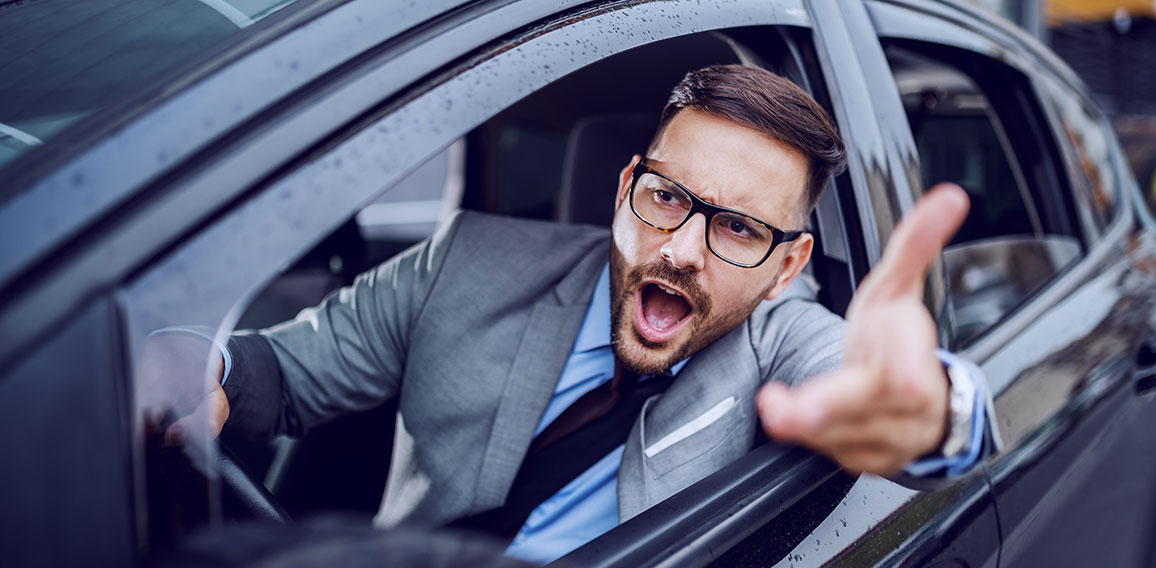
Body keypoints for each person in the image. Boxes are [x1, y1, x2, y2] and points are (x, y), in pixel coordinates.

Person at [159, 64, 996, 564]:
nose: (683, 251)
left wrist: (933, 408)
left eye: (739, 228)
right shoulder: (468, 262)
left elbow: (890, 392)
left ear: (788, 266)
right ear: (627, 185)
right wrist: (206, 373)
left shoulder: (784, 336)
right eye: (668, 198)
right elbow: (281, 369)